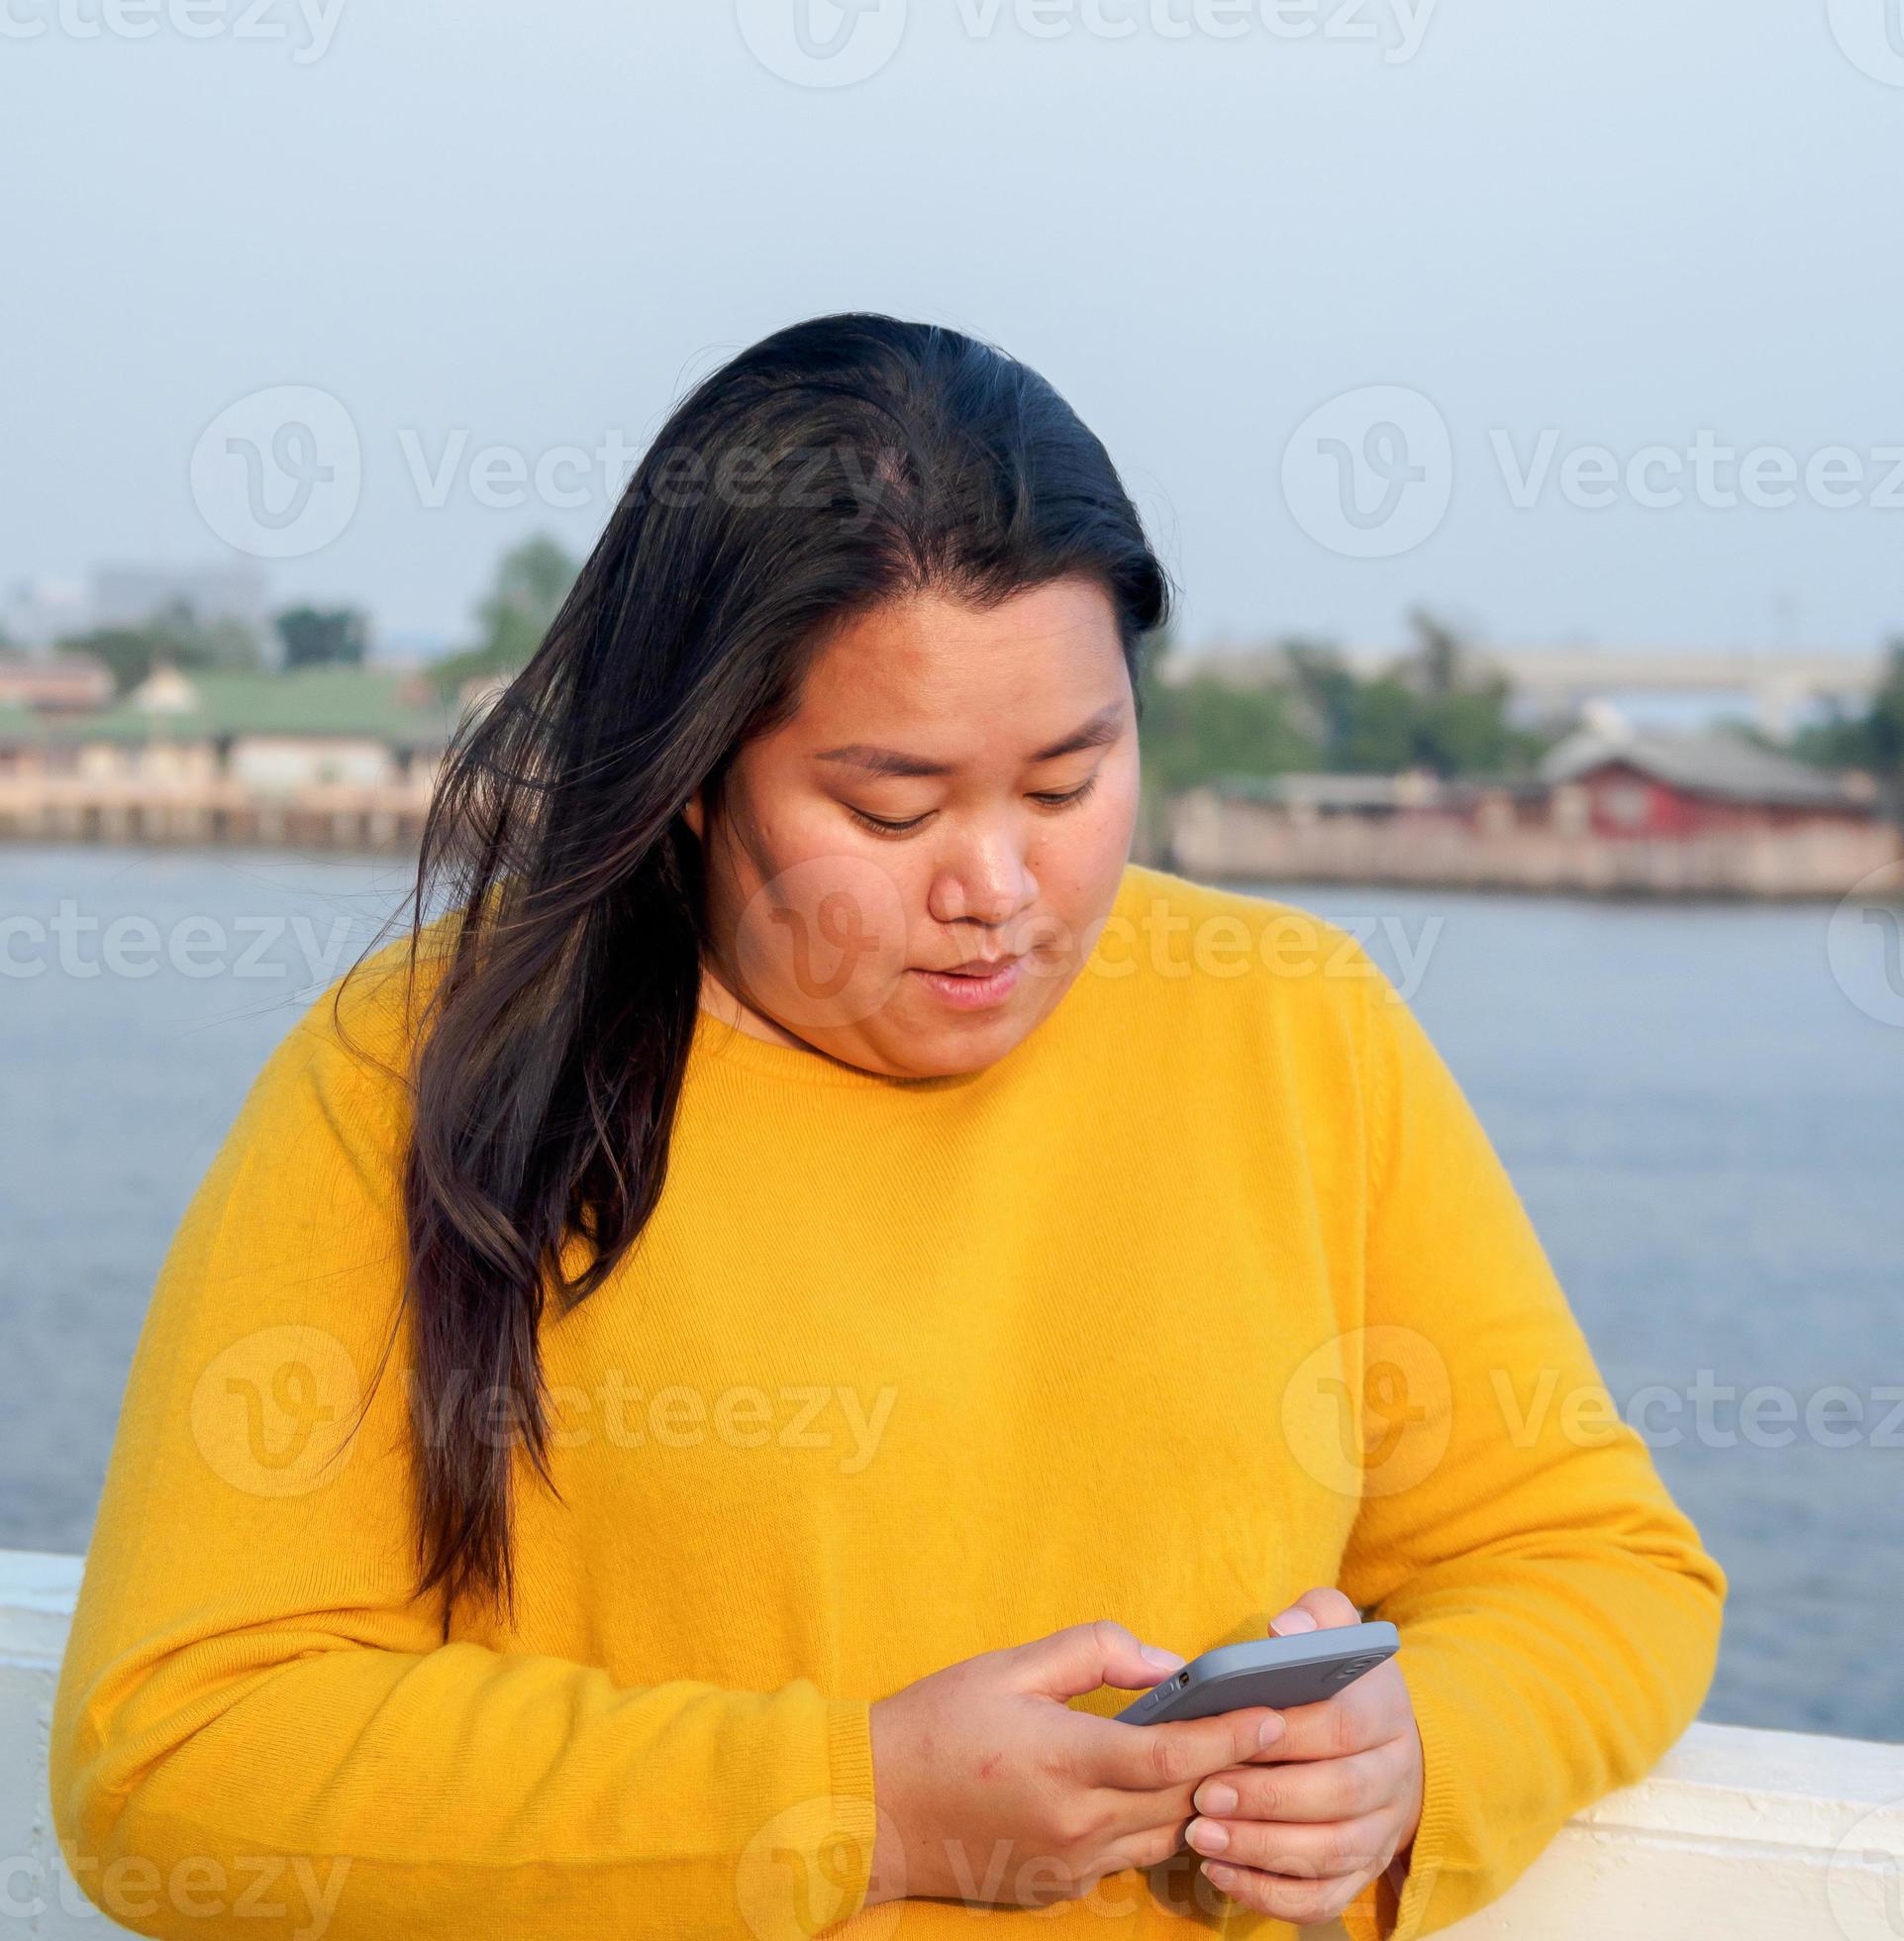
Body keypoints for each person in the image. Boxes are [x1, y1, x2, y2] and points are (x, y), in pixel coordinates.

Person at [50, 313, 1725, 1940]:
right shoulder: (422, 1069)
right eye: (890, 806)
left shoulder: (1293, 1024)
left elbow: (1592, 1564)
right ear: (694, 771)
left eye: (1069, 783)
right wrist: (861, 1806)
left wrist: (1426, 1746)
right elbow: (178, 1748)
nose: (998, 890)